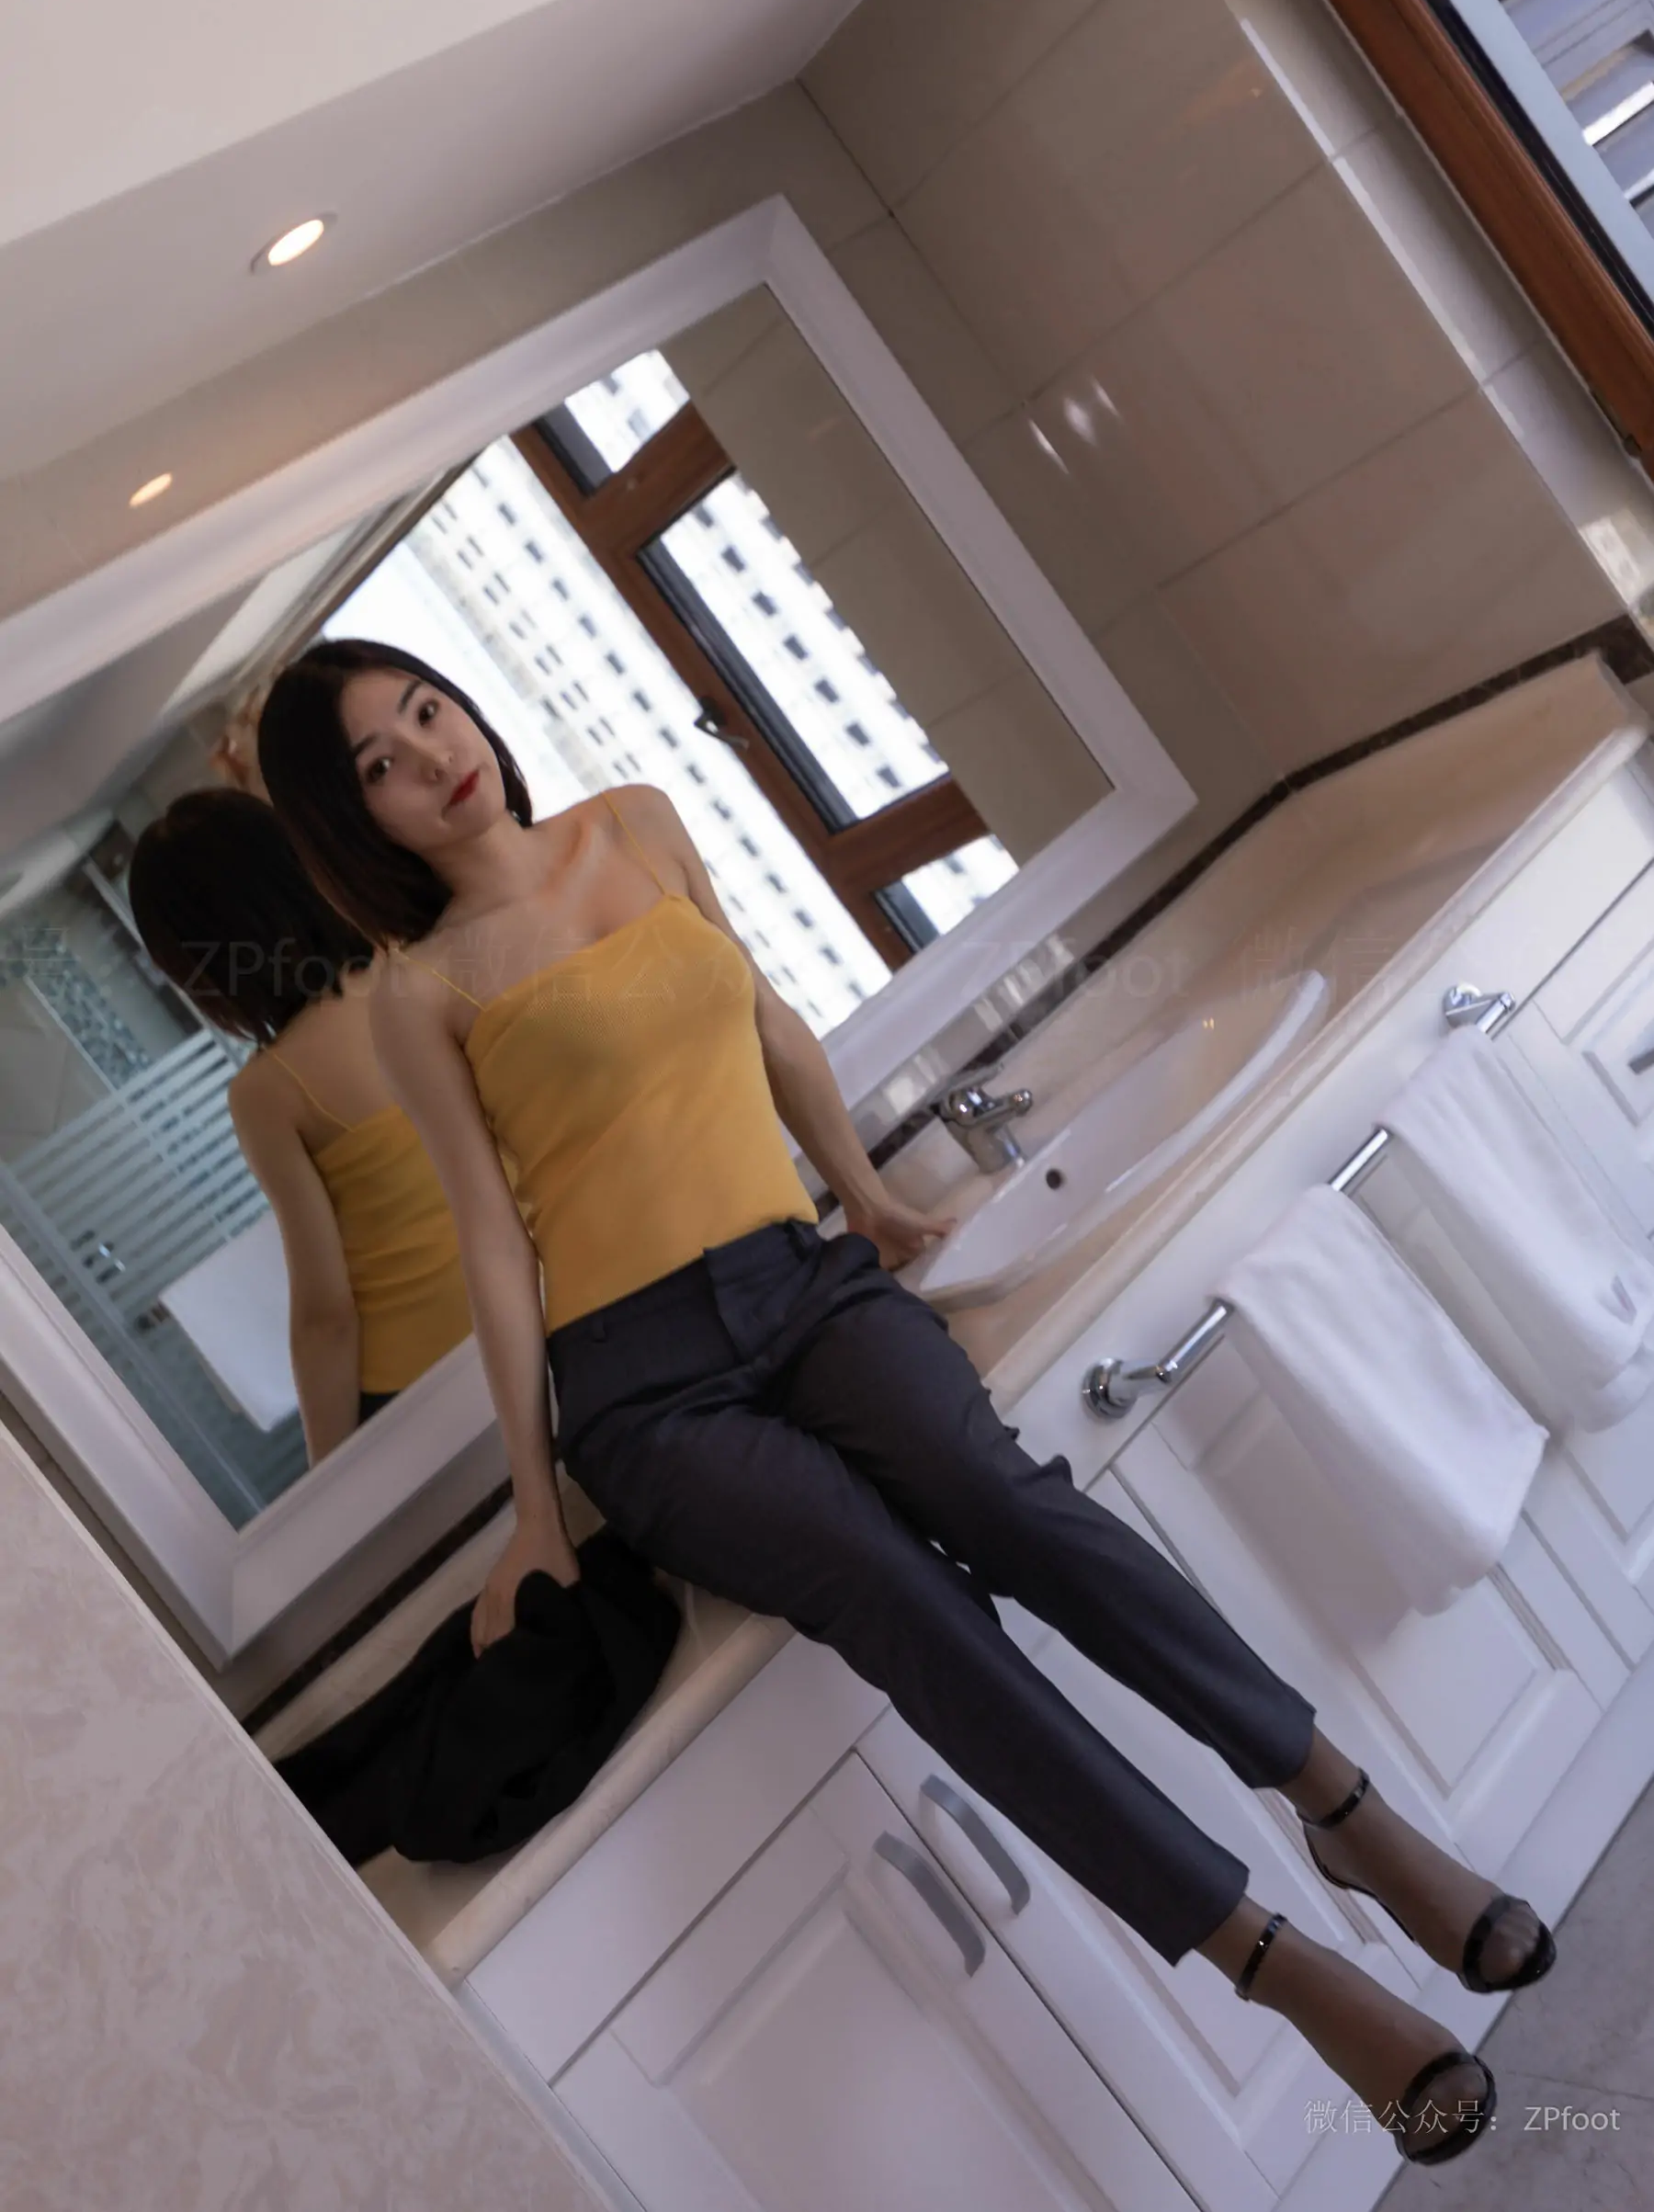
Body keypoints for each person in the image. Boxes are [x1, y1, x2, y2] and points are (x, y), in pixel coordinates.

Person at [257, 636, 1557, 2168]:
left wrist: (863, 1195)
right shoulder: (421, 995)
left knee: (1001, 1498)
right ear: (356, 819)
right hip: (643, 1390)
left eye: (426, 710)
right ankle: (1275, 1965)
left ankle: (1347, 1812)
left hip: (798, 1280)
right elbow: (492, 1241)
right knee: (901, 1600)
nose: (431, 756)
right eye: (381, 765)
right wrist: (535, 1507)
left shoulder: (637, 823)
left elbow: (765, 1020)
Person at [129, 787, 473, 1462]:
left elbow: (326, 1315)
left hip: (418, 1384)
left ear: (199, 967)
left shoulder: (268, 1093)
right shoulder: (428, 966)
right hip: (543, 1311)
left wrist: (332, 1482)